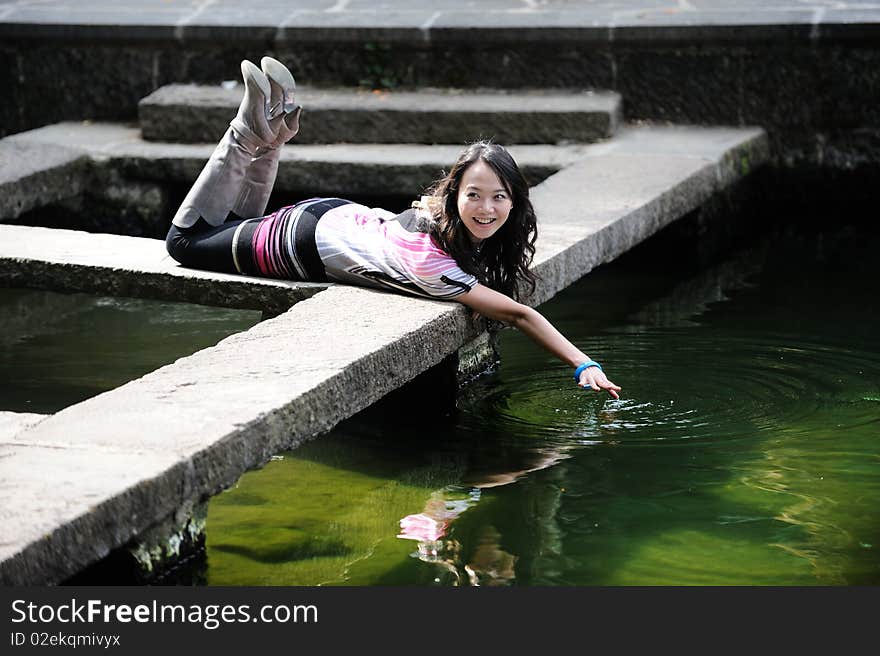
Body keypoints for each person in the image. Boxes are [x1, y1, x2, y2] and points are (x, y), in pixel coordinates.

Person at [165, 57, 621, 399]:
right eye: (475, 196)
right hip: (298, 242)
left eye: (499, 197)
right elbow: (518, 314)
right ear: (455, 195)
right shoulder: (434, 265)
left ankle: (274, 131)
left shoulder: (437, 215)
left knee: (231, 225)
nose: (487, 208)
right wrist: (583, 364)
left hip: (332, 221)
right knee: (184, 241)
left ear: (515, 201)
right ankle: (248, 133)